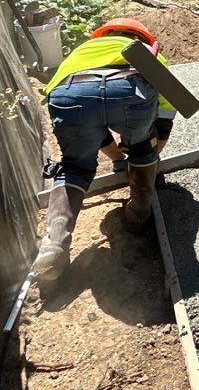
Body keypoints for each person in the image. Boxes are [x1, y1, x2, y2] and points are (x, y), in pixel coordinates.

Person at [33, 18, 176, 291]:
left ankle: (53, 245)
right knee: (142, 146)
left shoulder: (82, 52)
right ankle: (139, 211)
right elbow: (167, 113)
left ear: (101, 36)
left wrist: (117, 159)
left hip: (69, 93)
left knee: (74, 168)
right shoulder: (148, 53)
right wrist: (148, 154)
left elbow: (95, 120)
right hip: (129, 89)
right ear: (141, 37)